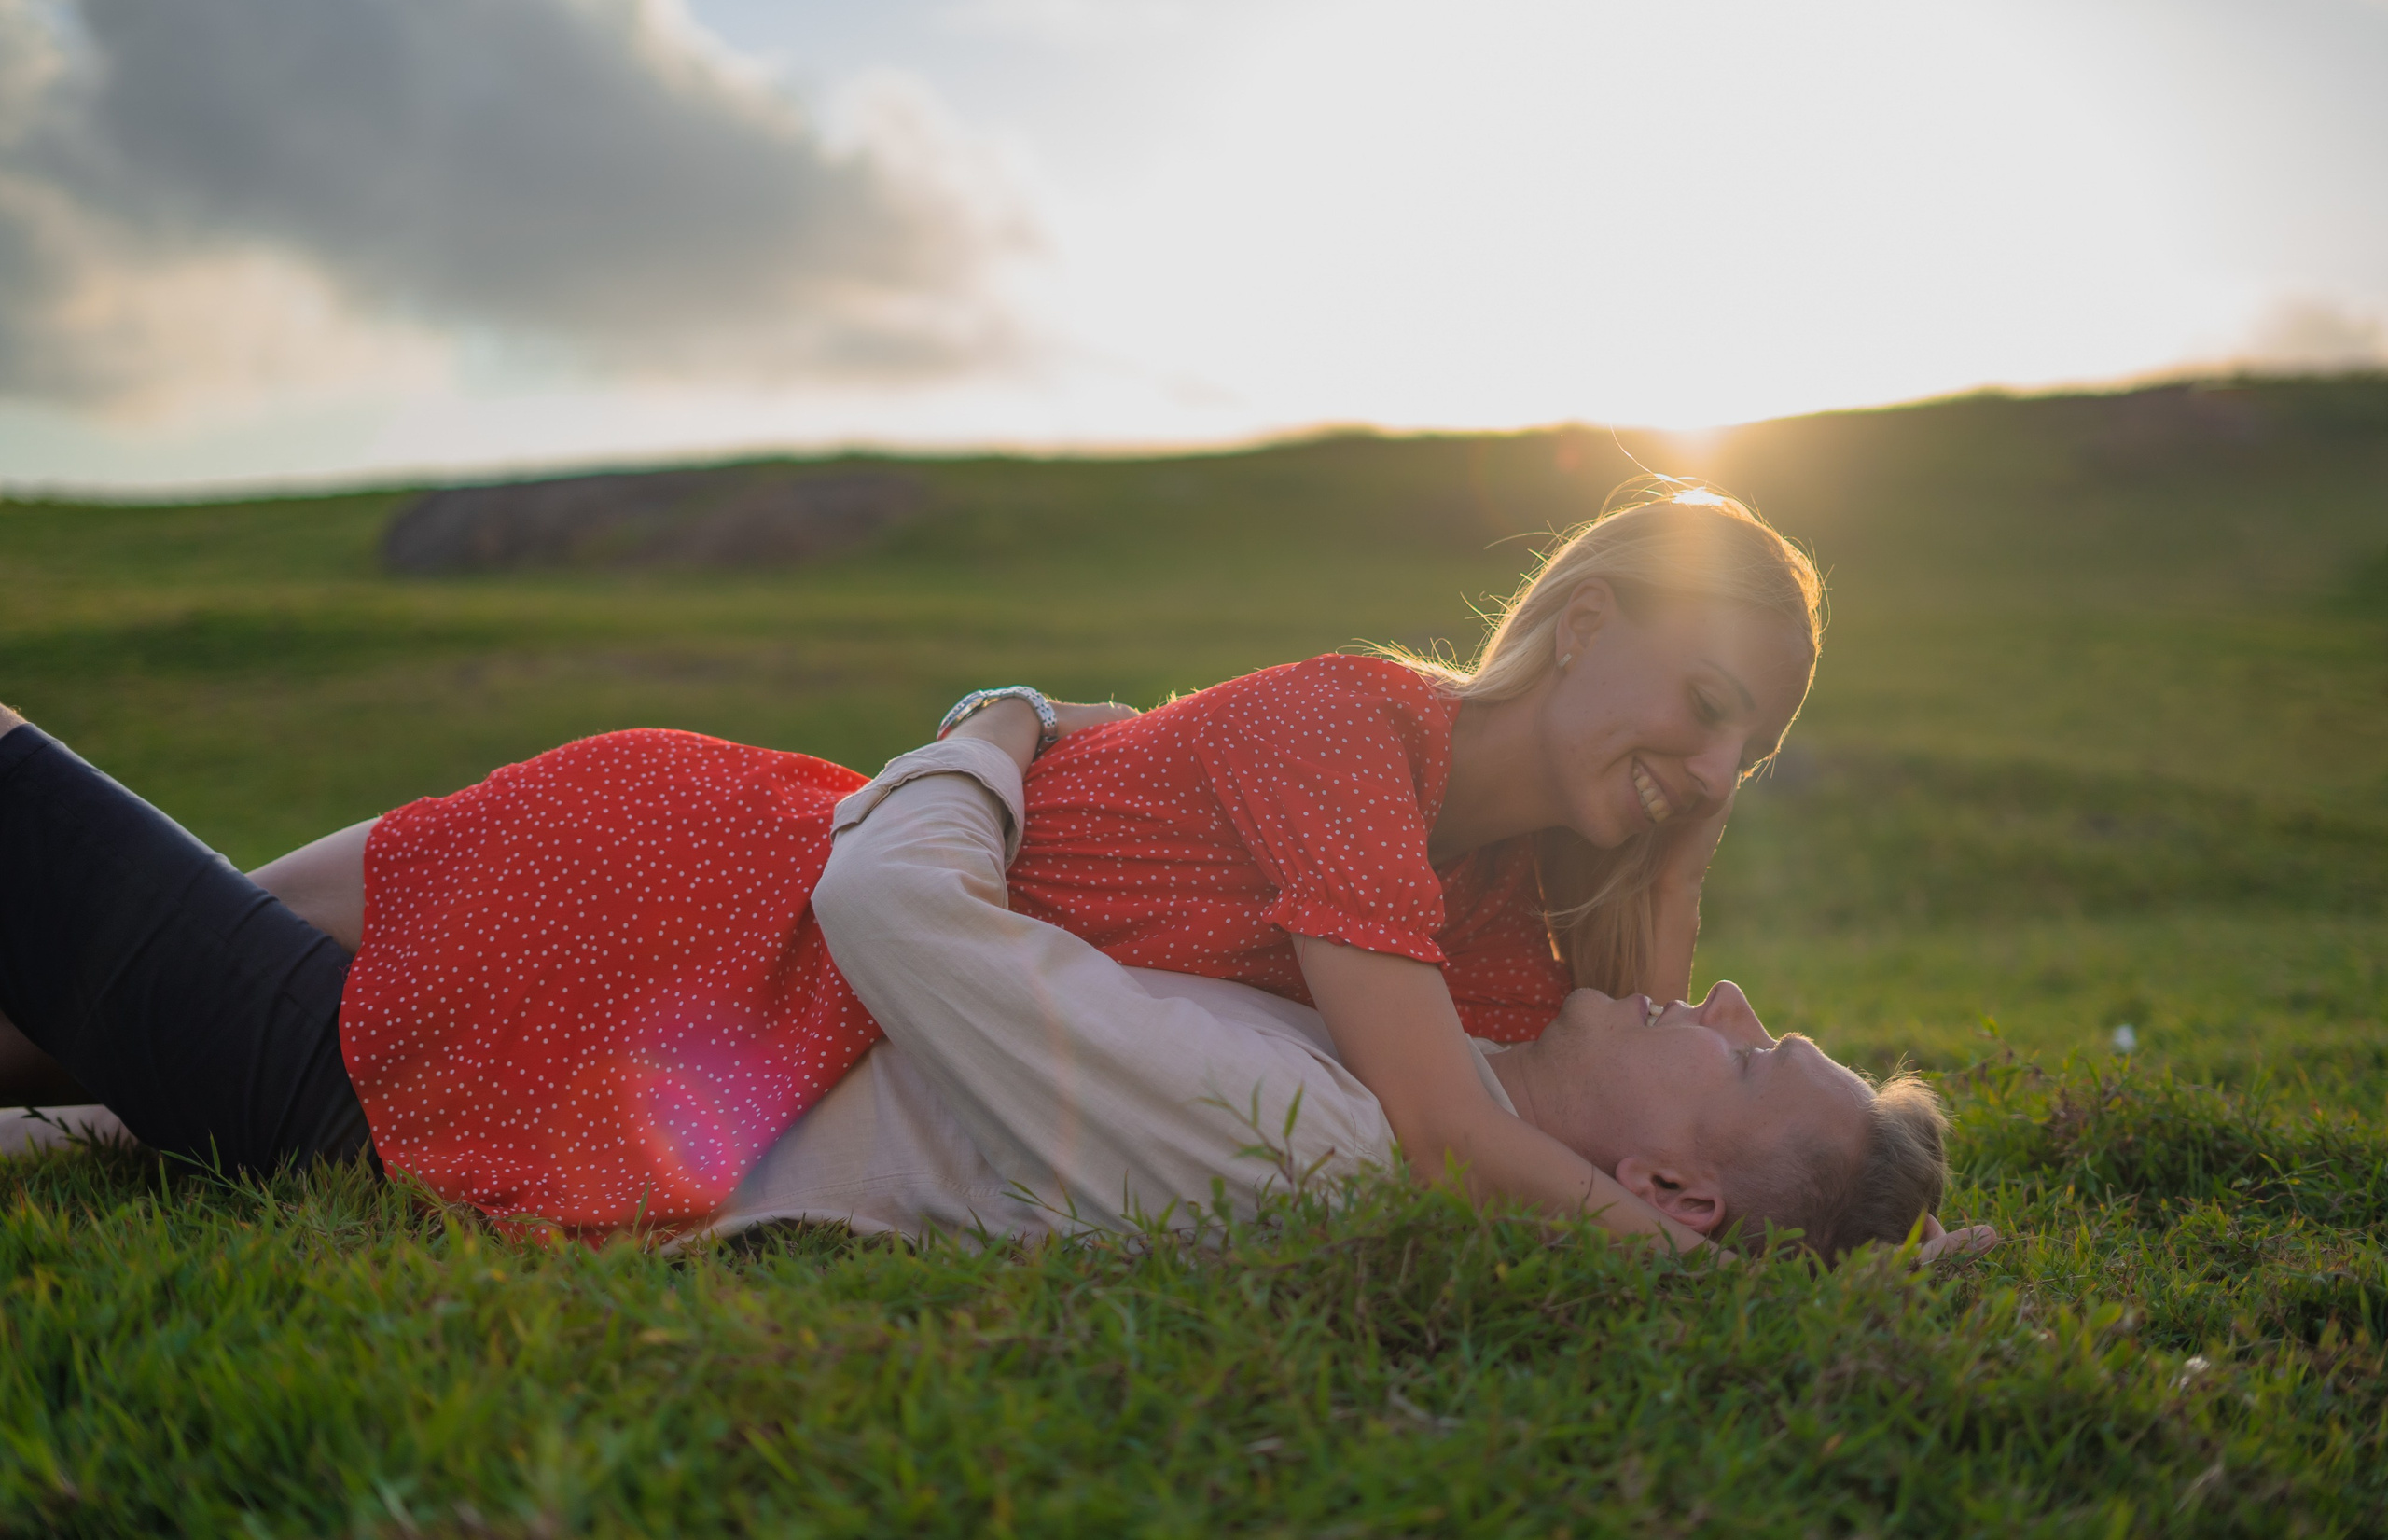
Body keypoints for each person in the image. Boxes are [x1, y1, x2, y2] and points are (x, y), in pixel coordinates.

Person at [0, 482, 1943, 1254]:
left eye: (1740, 750)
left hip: (801, 993)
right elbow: (1450, 1131)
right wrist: (1723, 1283)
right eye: (1693, 702)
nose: (1701, 769)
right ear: (1579, 621)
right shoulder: (1345, 734)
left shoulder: (1519, 949)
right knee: (83, 996)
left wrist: (1837, 1257)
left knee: (120, 1022)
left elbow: (1545, 1142)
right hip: (722, 875)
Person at [1, 711, 1988, 1263]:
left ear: (1671, 1197)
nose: (1719, 998)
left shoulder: (1307, 1124)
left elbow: (903, 914)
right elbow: (1597, 934)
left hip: (488, 1078)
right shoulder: (1395, 1058)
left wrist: (1005, 718)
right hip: (577, 988)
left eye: (1749, 1059)